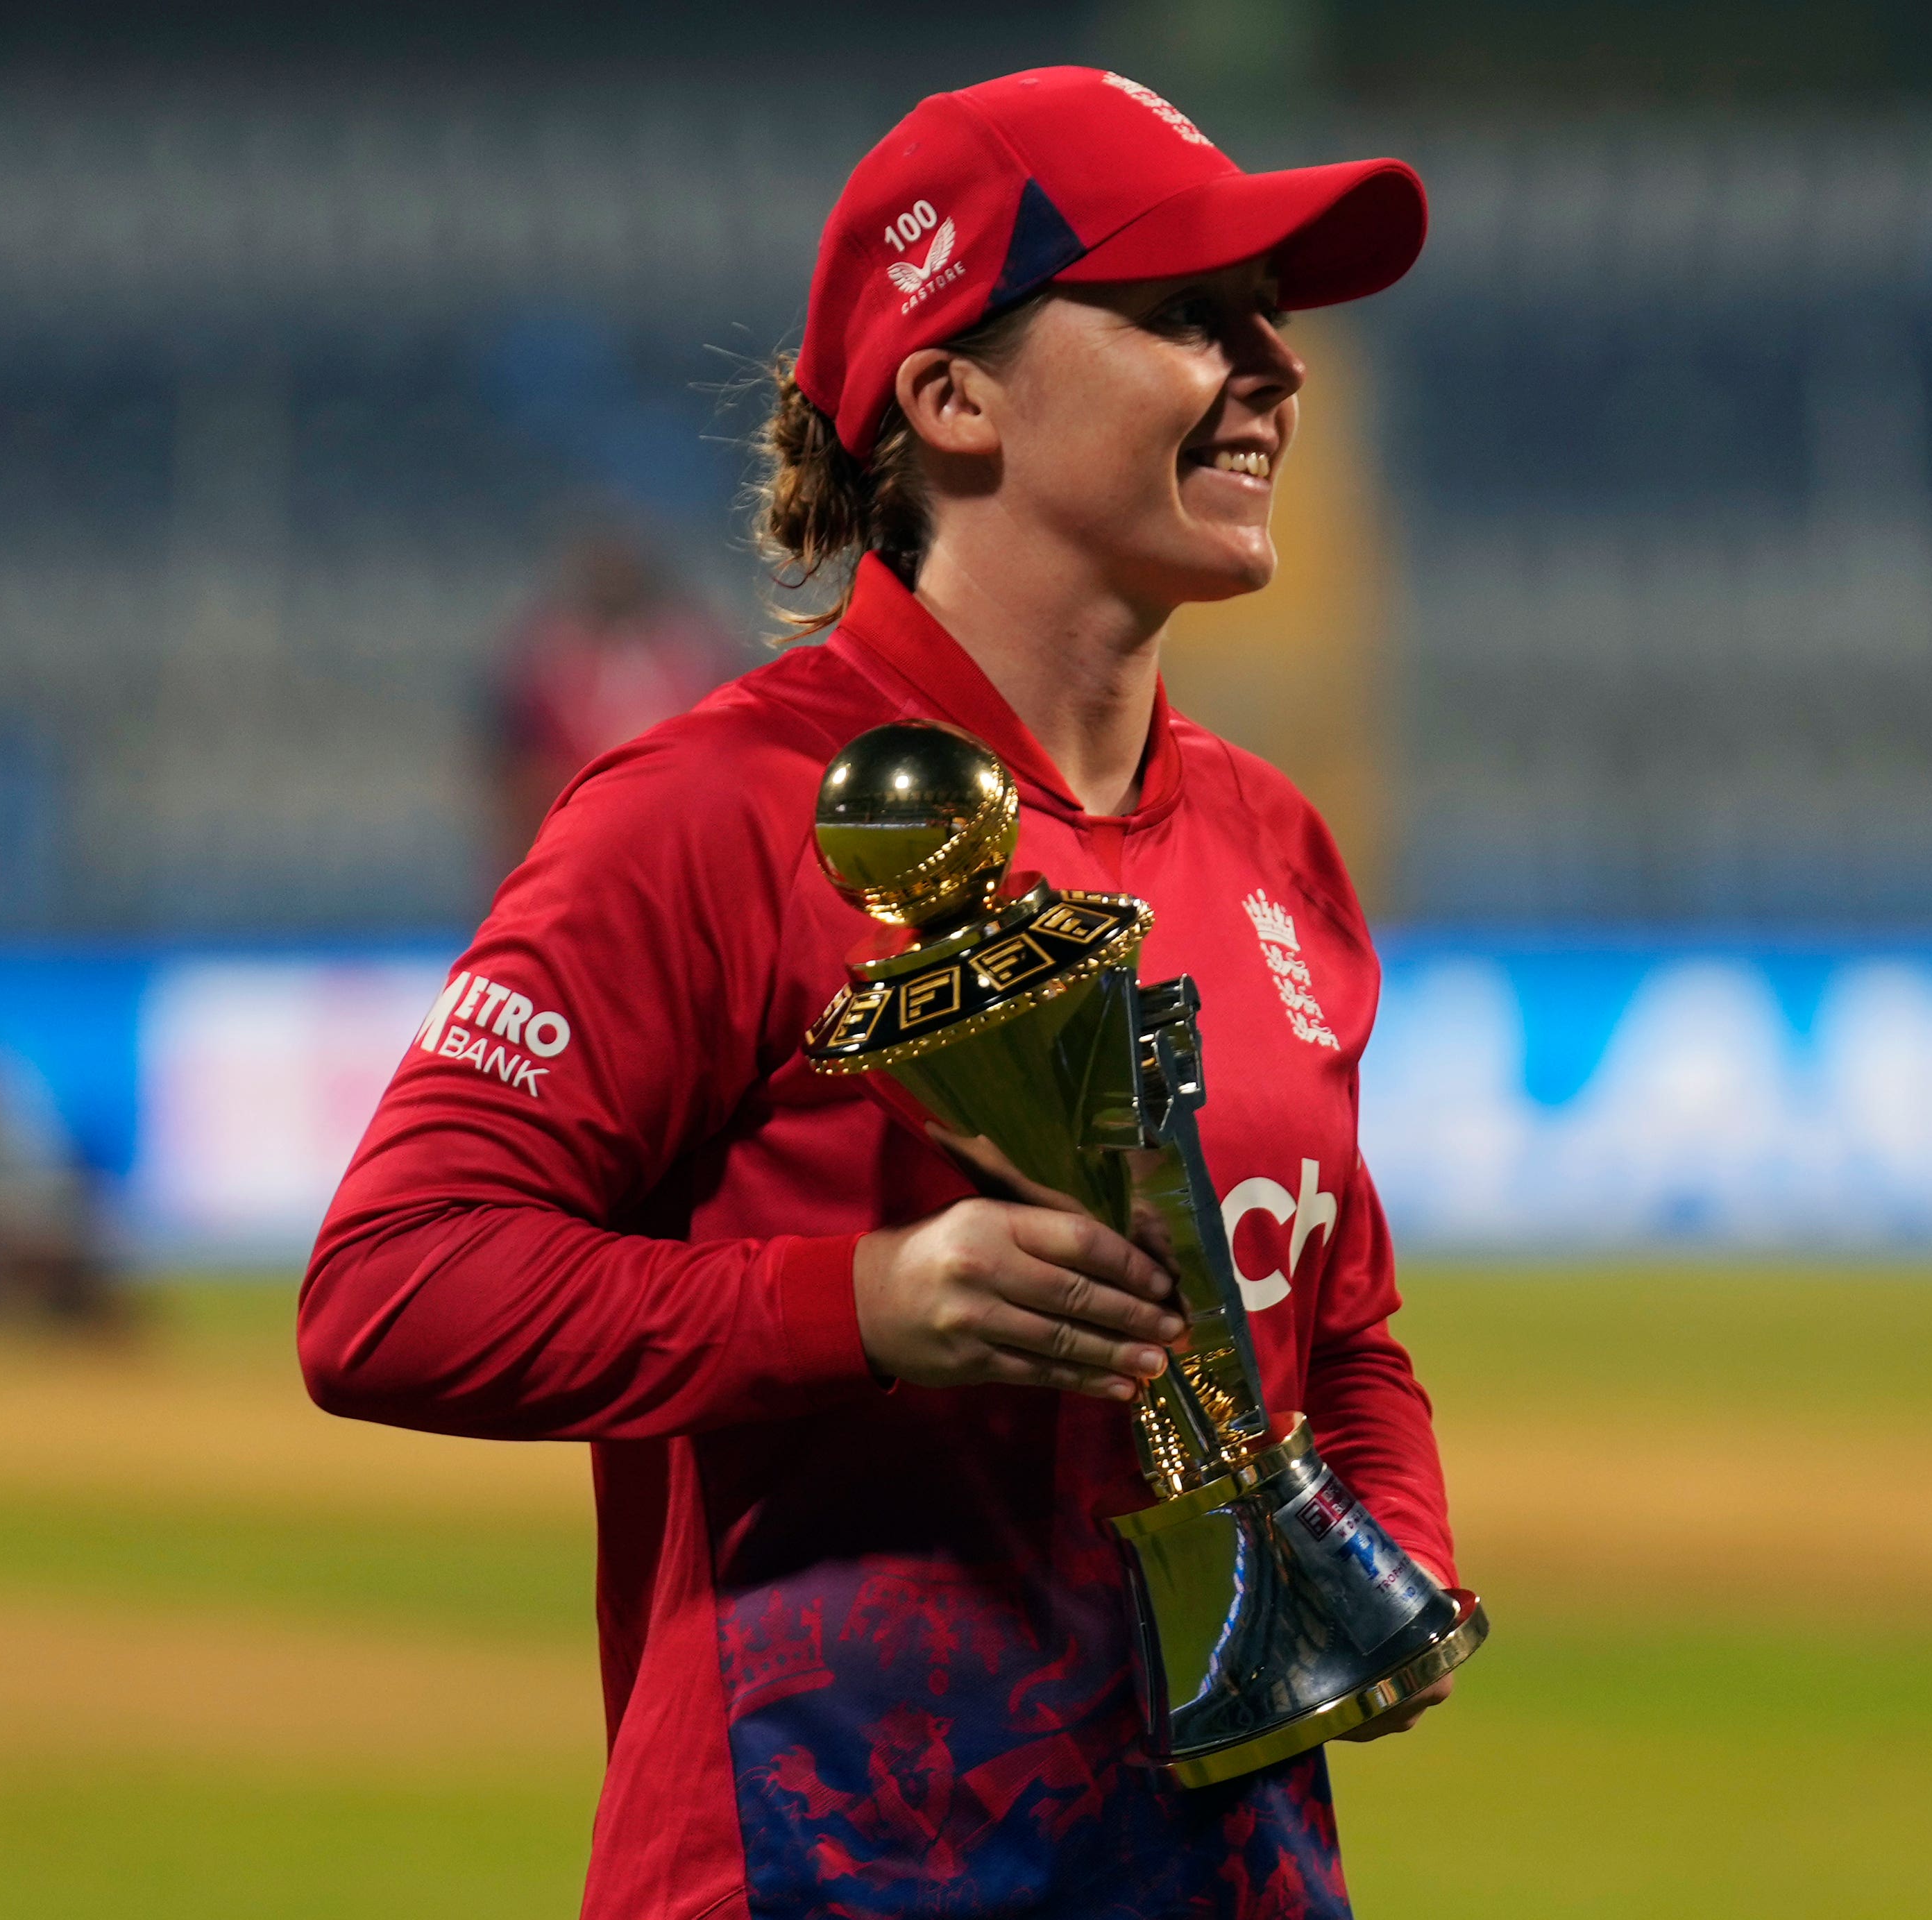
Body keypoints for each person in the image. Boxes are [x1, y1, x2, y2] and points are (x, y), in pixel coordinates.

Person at [302, 67, 1449, 1920]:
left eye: (1271, 319)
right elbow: (387, 1287)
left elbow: (1346, 1325)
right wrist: (862, 1298)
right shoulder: (703, 814)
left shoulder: (1272, 844)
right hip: (812, 1861)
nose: (1273, 365)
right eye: (1182, 315)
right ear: (950, 394)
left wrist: (1369, 1558)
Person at [489, 525, 747, 865]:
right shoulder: (545, 656)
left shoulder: (694, 648)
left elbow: (735, 743)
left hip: (680, 836)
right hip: (581, 841)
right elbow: (515, 766)